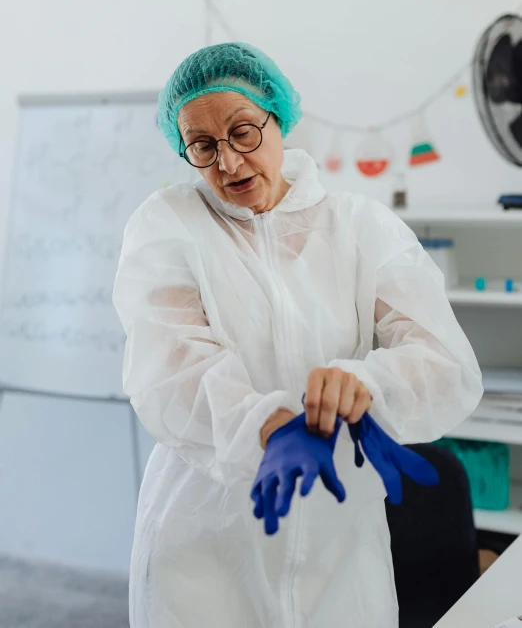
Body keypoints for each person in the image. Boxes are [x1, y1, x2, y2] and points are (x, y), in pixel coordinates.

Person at [113, 42, 483, 628]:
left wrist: (365, 384)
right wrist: (270, 427)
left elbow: (442, 360)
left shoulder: (360, 226)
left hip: (339, 548)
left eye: (243, 132)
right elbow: (170, 367)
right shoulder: (168, 225)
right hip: (208, 545)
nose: (229, 164)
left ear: (278, 118)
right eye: (202, 146)